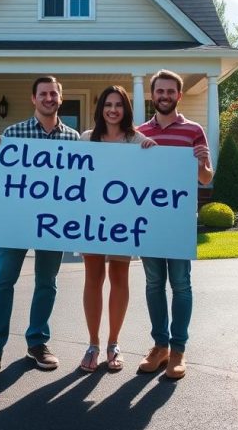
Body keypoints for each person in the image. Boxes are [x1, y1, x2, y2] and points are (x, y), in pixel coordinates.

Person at [0, 76, 80, 384]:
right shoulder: (13, 133)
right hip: (16, 221)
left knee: (47, 282)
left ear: (61, 97)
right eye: (43, 94)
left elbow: (80, 186)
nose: (48, 98)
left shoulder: (73, 139)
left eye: (53, 93)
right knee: (3, 280)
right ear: (34, 99)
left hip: (54, 224)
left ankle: (37, 343)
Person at [135, 69, 214, 380]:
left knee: (180, 285)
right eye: (160, 91)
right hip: (149, 221)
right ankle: (159, 346)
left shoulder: (193, 130)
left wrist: (197, 163)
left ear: (178, 96)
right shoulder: (140, 132)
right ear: (152, 95)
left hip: (179, 220)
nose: (164, 96)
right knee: (154, 285)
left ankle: (178, 350)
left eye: (170, 91)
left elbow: (207, 178)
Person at [77, 86, 156, 373]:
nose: (113, 109)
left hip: (123, 221)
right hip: (92, 220)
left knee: (119, 277)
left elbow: (150, 174)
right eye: (108, 104)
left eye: (118, 105)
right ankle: (93, 344)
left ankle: (113, 343)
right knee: (93, 278)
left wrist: (153, 153)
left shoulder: (137, 139)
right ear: (100, 109)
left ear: (126, 109)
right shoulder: (87, 138)